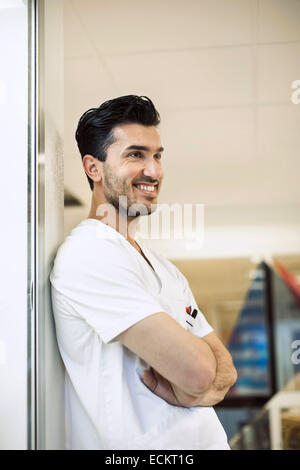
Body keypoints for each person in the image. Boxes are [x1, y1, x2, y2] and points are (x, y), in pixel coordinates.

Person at [50, 95, 237, 450]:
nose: (154, 171)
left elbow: (225, 369)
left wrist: (203, 383)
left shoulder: (163, 268)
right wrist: (198, 383)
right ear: (94, 168)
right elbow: (200, 372)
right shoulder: (89, 254)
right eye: (135, 155)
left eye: (157, 155)